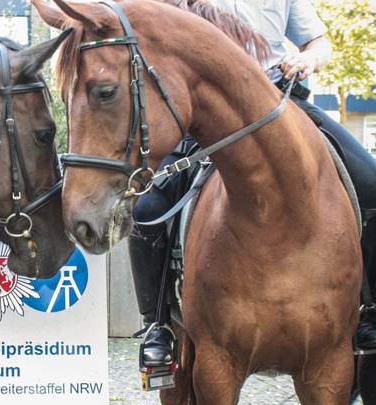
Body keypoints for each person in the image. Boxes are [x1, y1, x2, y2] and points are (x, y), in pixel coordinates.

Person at [131, 0, 376, 365]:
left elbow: (319, 44)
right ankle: (158, 325)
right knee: (147, 209)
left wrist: (308, 60)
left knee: (370, 183)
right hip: (208, 117)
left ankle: (368, 310)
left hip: (280, 102)